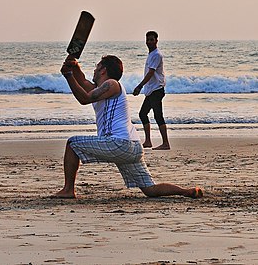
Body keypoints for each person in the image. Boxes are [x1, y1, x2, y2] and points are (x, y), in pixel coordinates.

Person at [53, 54, 202, 199]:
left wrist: (68, 76)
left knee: (72, 143)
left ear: (103, 70)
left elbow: (84, 98)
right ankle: (186, 192)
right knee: (150, 189)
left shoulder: (111, 84)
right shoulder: (101, 89)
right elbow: (83, 82)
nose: (94, 69)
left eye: (97, 66)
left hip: (118, 144)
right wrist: (74, 66)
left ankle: (68, 190)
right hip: (134, 147)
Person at [132, 30, 169, 150]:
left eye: (152, 40)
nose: (149, 42)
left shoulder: (156, 55)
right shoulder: (151, 54)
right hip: (151, 90)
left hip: (156, 89)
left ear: (156, 40)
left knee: (158, 116)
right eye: (147, 40)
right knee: (143, 114)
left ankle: (165, 143)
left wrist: (140, 86)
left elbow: (150, 73)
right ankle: (148, 141)